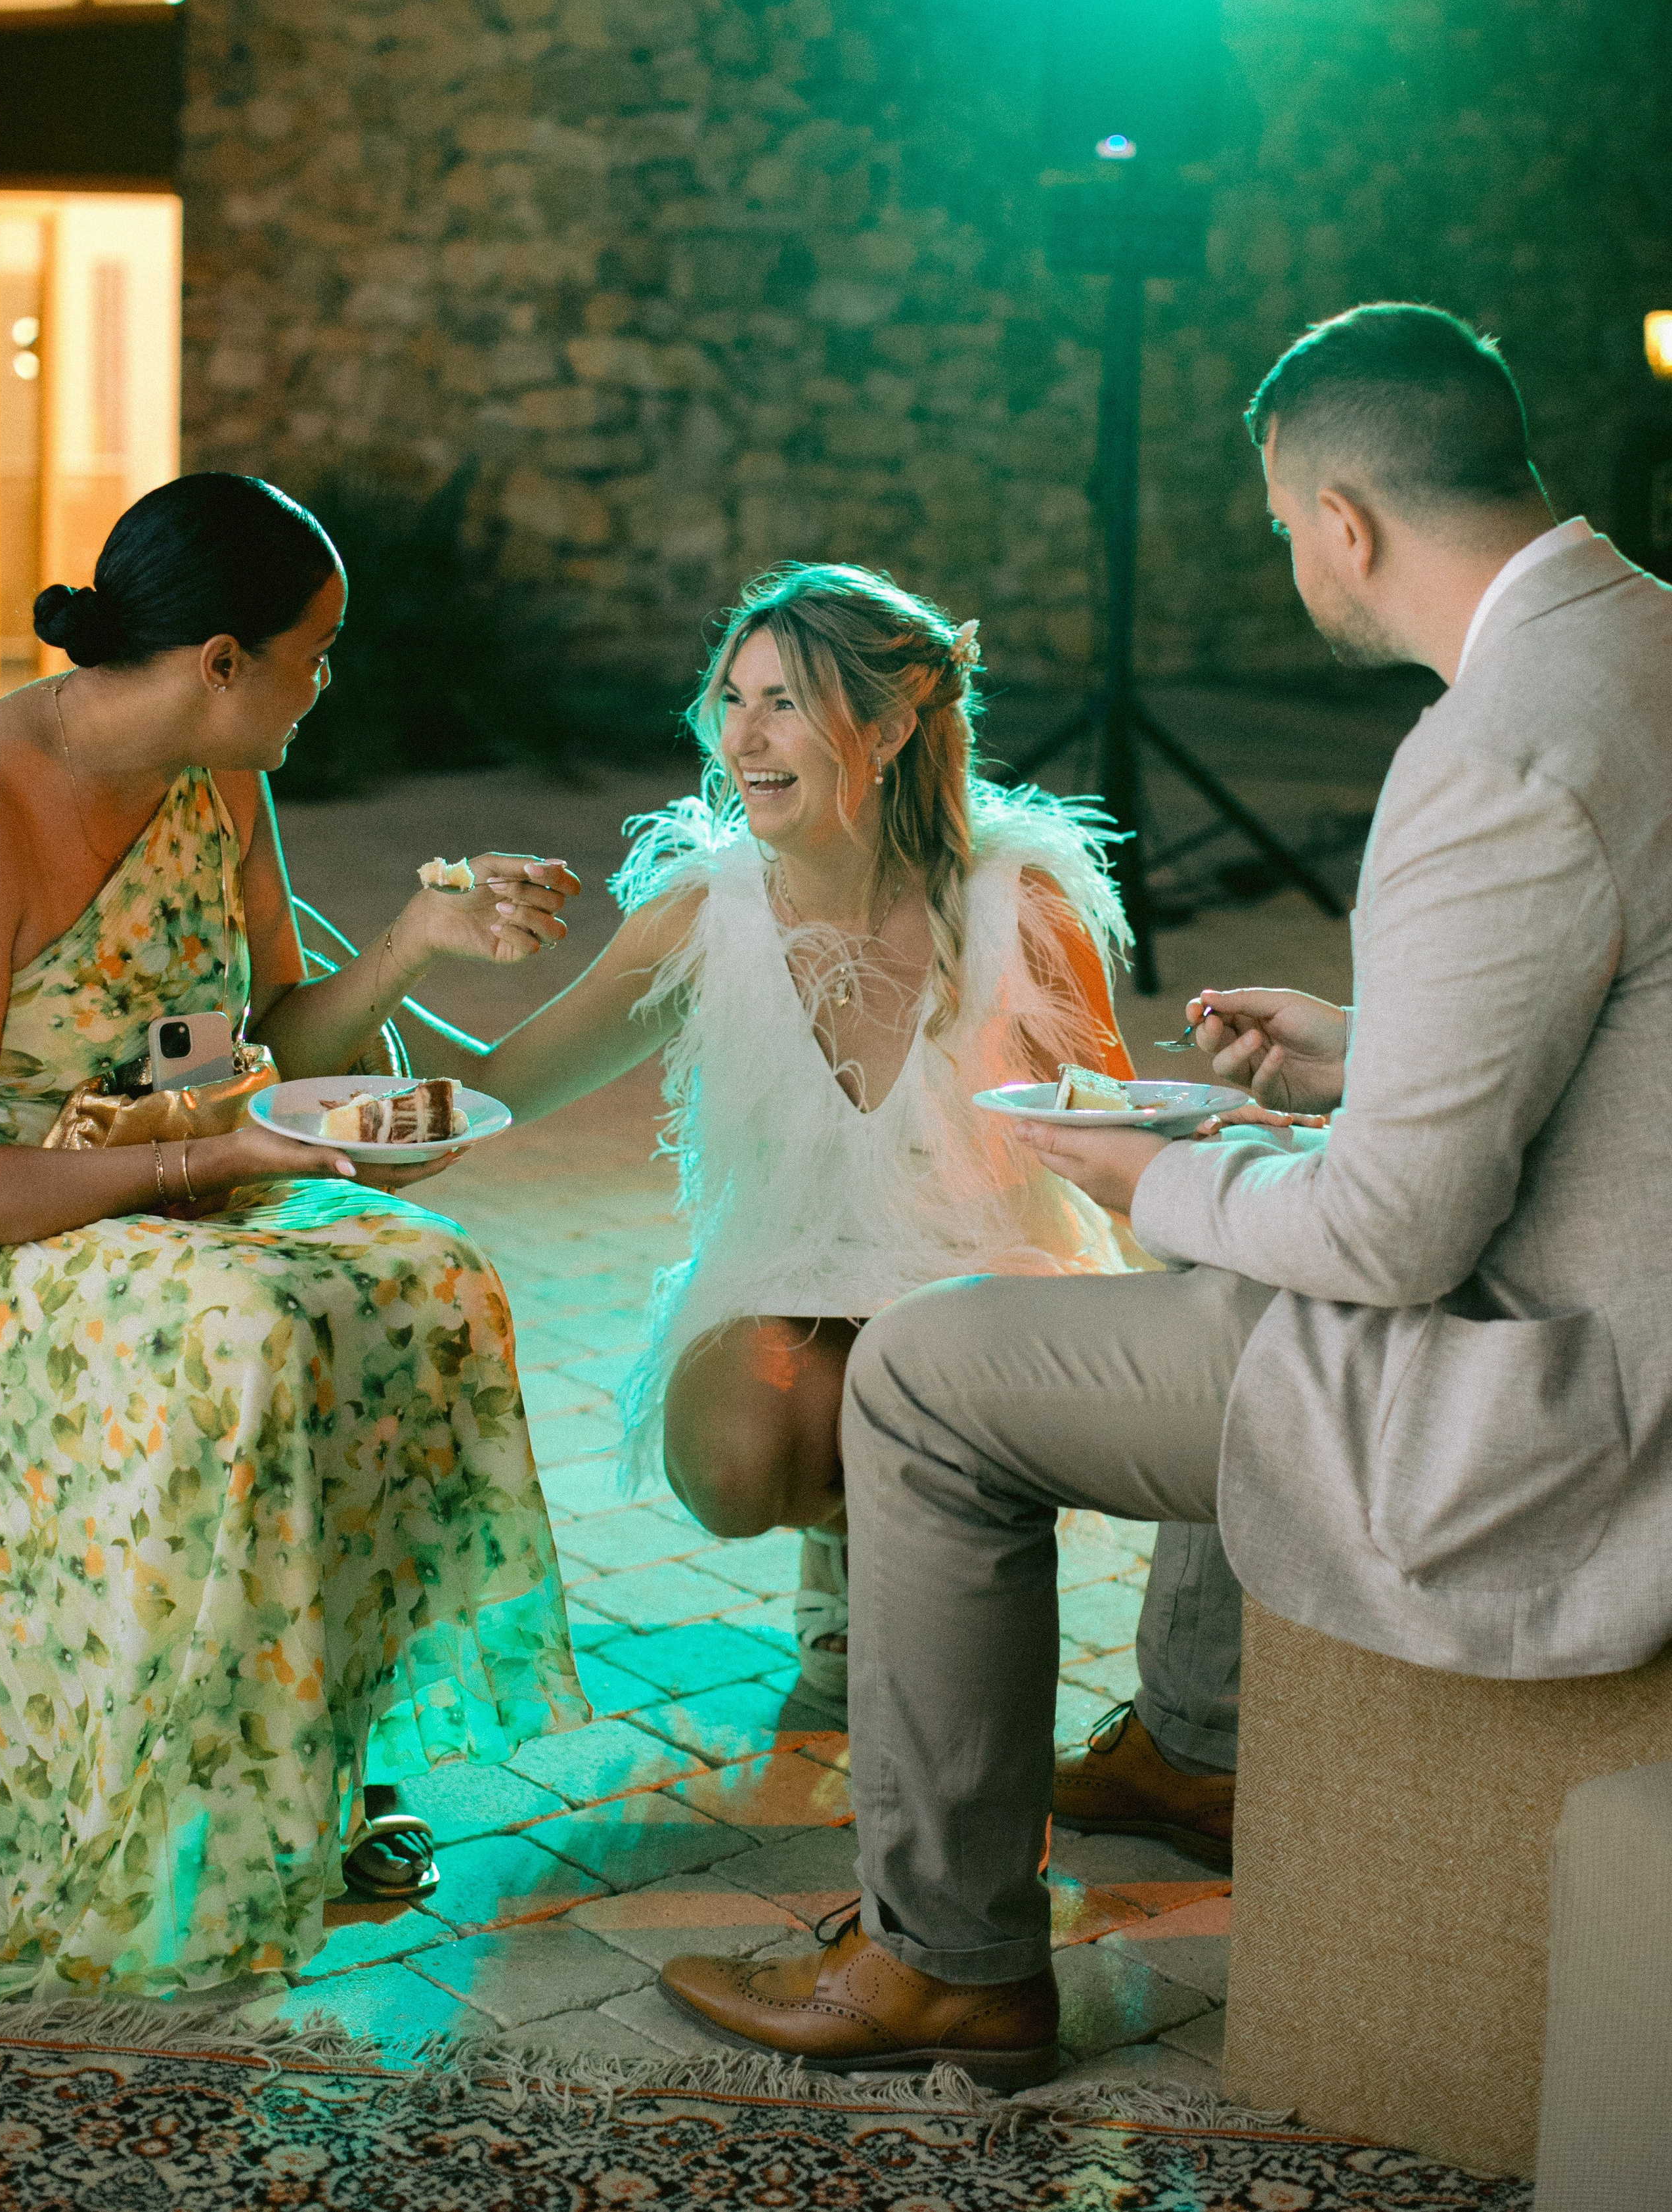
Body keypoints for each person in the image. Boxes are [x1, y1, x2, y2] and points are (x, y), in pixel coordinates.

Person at [653, 301, 1672, 2089]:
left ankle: (944, 1957)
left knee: (927, 1376)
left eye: (1284, 529)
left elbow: (1387, 1241)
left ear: (1342, 522)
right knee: (1224, 1236)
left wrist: (1154, 1166)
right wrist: (1369, 1050)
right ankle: (1193, 1741)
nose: (1292, 559)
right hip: (1605, 1289)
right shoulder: (1643, 650)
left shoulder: (1492, 749)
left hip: (1551, 1390)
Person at [0, 472, 583, 1997]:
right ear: (220, 660)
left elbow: (270, 1026)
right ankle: (176, 1771)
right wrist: (212, 1156)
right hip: (37, 1220)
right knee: (250, 1325)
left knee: (428, 1276)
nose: (329, 682)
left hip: (198, 1174)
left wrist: (414, 940)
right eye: (316, 650)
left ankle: (322, 1752)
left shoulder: (221, 776)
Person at [460, 561, 1141, 1696]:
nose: (744, 737)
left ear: (881, 728)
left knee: (951, 1495)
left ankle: (923, 1550)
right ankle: (848, 1535)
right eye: (732, 698)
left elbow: (1119, 1129)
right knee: (733, 1460)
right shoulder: (704, 909)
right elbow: (498, 1086)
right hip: (799, 1281)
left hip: (980, 1286)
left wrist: (1254, 1220)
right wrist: (406, 951)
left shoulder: (1019, 901)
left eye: (784, 701)